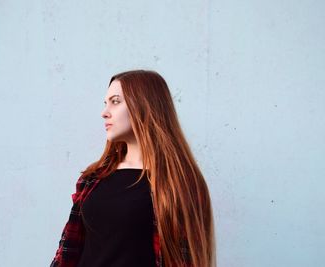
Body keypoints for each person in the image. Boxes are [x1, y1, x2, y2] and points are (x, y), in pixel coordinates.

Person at [50, 70, 216, 267]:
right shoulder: (93, 178)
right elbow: (68, 250)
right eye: (106, 103)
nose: (104, 112)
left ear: (144, 105)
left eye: (116, 101)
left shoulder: (178, 183)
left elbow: (187, 259)